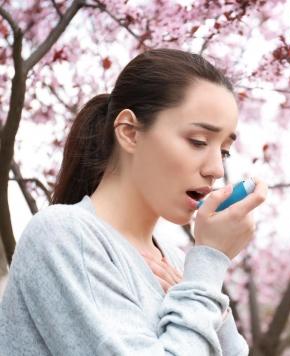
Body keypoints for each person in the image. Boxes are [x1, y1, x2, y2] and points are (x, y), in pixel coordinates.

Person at [0, 48, 267, 355]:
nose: (216, 170)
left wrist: (203, 282)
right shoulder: (62, 234)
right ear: (129, 132)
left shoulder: (179, 264)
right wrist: (208, 266)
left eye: (223, 151)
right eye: (198, 142)